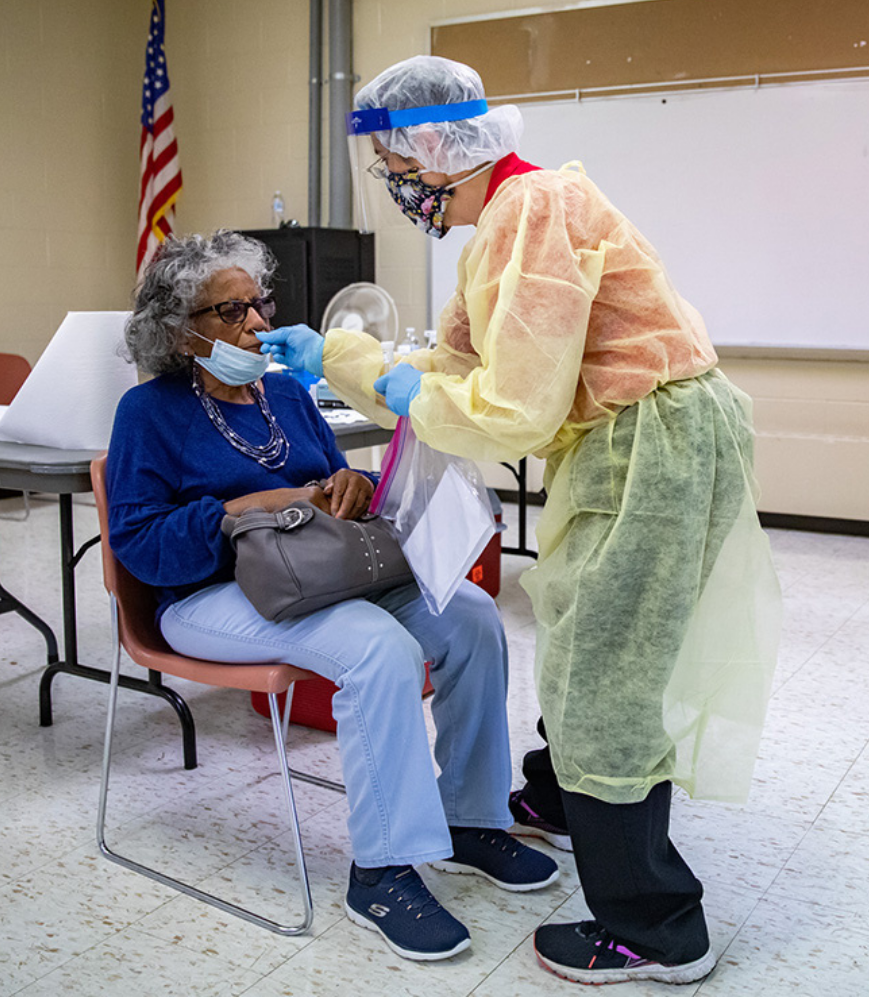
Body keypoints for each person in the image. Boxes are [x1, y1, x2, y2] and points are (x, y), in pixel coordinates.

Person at [261, 56, 782, 986]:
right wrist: (335, 358)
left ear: (442, 151)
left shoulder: (529, 214)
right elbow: (456, 360)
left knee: (605, 673)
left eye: (402, 167)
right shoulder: (508, 220)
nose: (400, 187)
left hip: (649, 445)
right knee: (592, 636)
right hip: (640, 437)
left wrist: (389, 380)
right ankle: (556, 798)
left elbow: (514, 408)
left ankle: (657, 927)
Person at [106, 229, 558, 963]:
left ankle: (470, 821)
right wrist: (241, 511)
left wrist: (356, 484)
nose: (256, 324)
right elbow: (140, 543)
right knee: (376, 648)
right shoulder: (148, 412)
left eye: (259, 304)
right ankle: (381, 872)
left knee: (471, 616)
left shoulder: (283, 390)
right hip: (206, 596)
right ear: (180, 332)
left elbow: (337, 486)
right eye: (231, 313)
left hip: (321, 574)